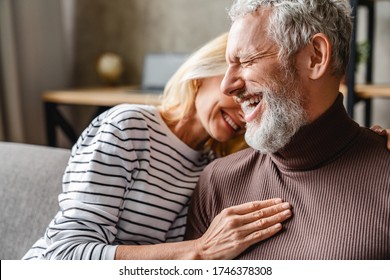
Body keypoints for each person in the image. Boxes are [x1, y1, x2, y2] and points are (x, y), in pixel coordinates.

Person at [22, 33, 293, 260]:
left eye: (255, 103)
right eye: (239, 94)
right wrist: (199, 251)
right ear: (203, 74)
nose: (244, 113)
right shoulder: (128, 127)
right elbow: (65, 254)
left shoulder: (211, 167)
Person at [185, 0, 390, 260]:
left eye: (246, 60)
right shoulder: (217, 182)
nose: (227, 85)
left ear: (315, 57)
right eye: (229, 65)